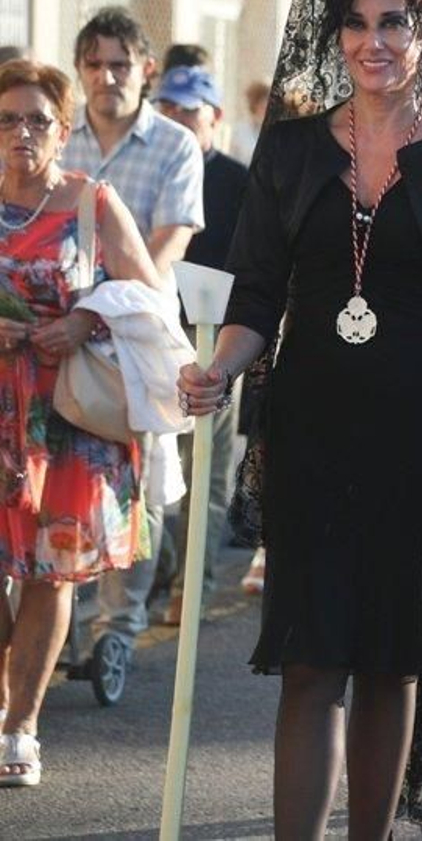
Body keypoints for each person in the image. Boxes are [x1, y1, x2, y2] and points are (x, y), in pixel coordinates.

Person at [175, 0, 422, 839]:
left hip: (420, 448)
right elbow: (255, 298)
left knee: (390, 660)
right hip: (312, 435)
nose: (375, 41)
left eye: (394, 22)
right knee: (312, 660)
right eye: (357, 23)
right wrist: (223, 369)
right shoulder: (285, 152)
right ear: (335, 35)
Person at [0, 59, 163, 786]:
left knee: (48, 573)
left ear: (63, 132)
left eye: (38, 119)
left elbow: (150, 297)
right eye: (8, 119)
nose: (22, 132)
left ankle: (19, 729)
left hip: (67, 417)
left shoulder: (91, 202)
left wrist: (83, 316)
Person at [61, 7, 205, 660]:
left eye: (120, 63)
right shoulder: (57, 137)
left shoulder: (175, 144)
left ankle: (117, 628)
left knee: (142, 479)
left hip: (137, 333)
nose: (106, 76)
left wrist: (104, 299)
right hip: (58, 329)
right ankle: (57, 610)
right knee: (58, 471)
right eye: (94, 63)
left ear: (145, 71)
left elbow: (168, 241)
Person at [152, 65, 249, 623]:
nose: (177, 119)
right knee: (149, 467)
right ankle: (161, 567)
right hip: (153, 329)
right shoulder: (157, 165)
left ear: (214, 117)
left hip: (217, 336)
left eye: (188, 109)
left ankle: (191, 586)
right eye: (167, 107)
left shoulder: (239, 179)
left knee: (203, 469)